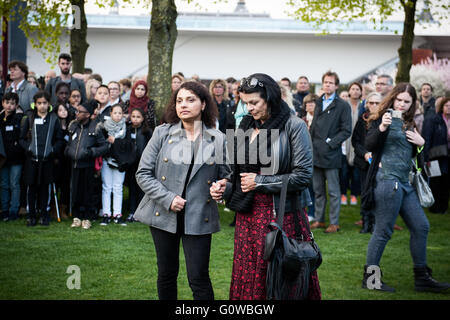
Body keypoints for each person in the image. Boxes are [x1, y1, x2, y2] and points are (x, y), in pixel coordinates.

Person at [211, 73, 321, 300]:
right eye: (245, 102)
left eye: (254, 102)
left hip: (280, 216)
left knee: (279, 280)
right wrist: (225, 186)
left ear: (270, 98)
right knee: (248, 278)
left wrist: (260, 182)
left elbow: (303, 176)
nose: (249, 108)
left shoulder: (294, 125)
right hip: (247, 216)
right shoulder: (245, 125)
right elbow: (238, 173)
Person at [134, 81, 231, 300]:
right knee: (166, 274)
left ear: (203, 104)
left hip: (199, 216)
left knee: (198, 277)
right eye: (179, 100)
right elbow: (143, 173)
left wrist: (222, 188)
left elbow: (228, 176)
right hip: (164, 212)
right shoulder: (162, 133)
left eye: (190, 100)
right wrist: (168, 199)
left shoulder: (218, 139)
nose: (183, 105)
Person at [362, 82, 450, 293]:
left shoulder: (409, 124)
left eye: (406, 101)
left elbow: (414, 156)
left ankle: (422, 278)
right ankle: (371, 279)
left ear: (412, 104)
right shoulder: (381, 118)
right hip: (387, 182)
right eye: (399, 100)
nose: (401, 104)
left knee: (422, 226)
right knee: (383, 231)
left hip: (405, 183)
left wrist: (421, 143)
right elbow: (369, 145)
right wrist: (382, 127)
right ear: (393, 98)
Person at [309, 71, 352, 233]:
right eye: (325, 82)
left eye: (330, 83)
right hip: (315, 153)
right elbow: (314, 126)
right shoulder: (318, 101)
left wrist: (331, 143)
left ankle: (334, 222)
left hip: (331, 154)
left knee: (334, 192)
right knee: (318, 190)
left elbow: (346, 130)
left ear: (336, 86)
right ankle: (319, 220)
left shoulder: (342, 105)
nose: (327, 85)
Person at [19, 91, 65, 226]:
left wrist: (53, 150)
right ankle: (31, 215)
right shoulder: (30, 117)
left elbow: (59, 139)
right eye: (39, 103)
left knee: (45, 188)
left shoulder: (53, 119)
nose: (42, 106)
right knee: (31, 188)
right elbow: (21, 138)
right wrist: (28, 148)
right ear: (35, 104)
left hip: (47, 160)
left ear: (49, 104)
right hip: (32, 160)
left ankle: (44, 215)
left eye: (44, 103)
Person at [65, 99, 108, 229]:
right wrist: (68, 151)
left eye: (80, 112)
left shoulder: (96, 127)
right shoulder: (73, 126)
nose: (76, 113)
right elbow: (68, 143)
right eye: (77, 111)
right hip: (74, 165)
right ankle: (77, 216)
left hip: (88, 166)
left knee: (88, 192)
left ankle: (87, 217)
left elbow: (104, 146)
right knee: (76, 191)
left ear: (88, 114)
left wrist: (90, 152)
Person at [97, 104, 132, 226]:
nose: (117, 115)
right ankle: (106, 213)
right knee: (107, 187)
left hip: (120, 162)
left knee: (118, 188)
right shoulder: (104, 127)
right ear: (110, 114)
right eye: (115, 113)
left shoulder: (126, 127)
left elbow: (128, 144)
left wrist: (116, 141)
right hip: (107, 160)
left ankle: (117, 214)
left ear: (123, 114)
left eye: (120, 113)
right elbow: (101, 143)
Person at [351, 92, 382, 233]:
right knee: (365, 192)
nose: (374, 105)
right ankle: (366, 223)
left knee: (378, 194)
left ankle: (376, 224)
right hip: (364, 164)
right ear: (367, 104)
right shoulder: (362, 120)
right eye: (371, 103)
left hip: (380, 163)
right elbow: (355, 141)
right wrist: (364, 153)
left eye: (377, 103)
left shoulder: (385, 120)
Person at [422, 96, 450, 214]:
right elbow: (426, 139)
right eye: (447, 106)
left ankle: (443, 208)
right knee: (435, 182)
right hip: (435, 156)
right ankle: (434, 207)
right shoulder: (433, 119)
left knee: (446, 182)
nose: (449, 108)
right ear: (442, 107)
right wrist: (426, 157)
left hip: (448, 157)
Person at [125, 108, 152, 223]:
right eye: (133, 116)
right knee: (132, 188)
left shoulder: (147, 131)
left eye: (138, 117)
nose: (135, 119)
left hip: (143, 164)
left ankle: (142, 213)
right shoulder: (127, 130)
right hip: (131, 164)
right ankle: (132, 211)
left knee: (142, 189)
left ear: (143, 118)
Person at [0, 92, 24, 221]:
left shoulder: (19, 118)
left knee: (14, 183)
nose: (9, 106)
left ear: (16, 105)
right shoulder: (0, 118)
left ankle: (14, 210)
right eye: (7, 103)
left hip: (16, 158)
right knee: (4, 184)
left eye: (12, 104)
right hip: (3, 157)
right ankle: (4, 210)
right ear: (3, 103)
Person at [340, 82, 364, 206]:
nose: (355, 91)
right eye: (353, 89)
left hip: (358, 142)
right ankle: (343, 194)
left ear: (361, 92)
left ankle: (354, 195)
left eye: (357, 89)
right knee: (343, 172)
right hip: (344, 142)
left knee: (356, 173)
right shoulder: (344, 105)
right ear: (349, 91)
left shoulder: (363, 106)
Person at [52, 103, 73, 220]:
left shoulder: (71, 126)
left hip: (68, 160)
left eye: (65, 109)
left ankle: (63, 208)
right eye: (60, 110)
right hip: (57, 160)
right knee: (57, 184)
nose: (63, 112)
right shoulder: (54, 126)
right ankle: (53, 209)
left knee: (66, 185)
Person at [302, 93, 319, 222]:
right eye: (307, 103)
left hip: (317, 157)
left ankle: (313, 212)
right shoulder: (302, 120)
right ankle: (304, 211)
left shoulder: (320, 120)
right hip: (303, 157)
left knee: (314, 188)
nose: (310, 105)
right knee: (304, 187)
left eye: (312, 103)